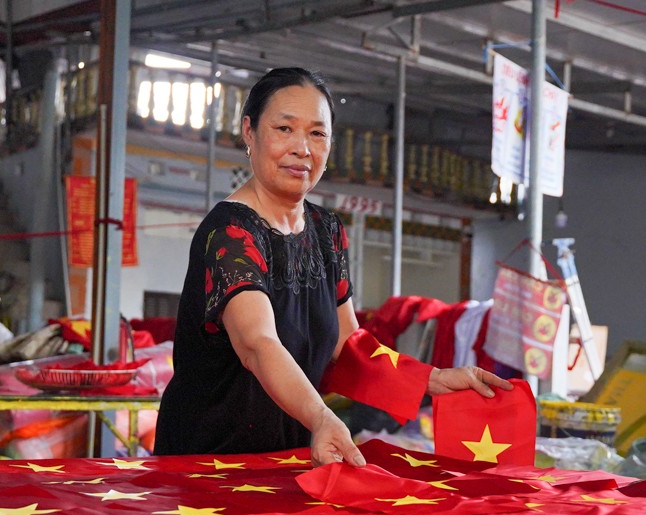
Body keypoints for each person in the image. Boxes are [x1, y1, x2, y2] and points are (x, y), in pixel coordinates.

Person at [154, 67, 509, 466]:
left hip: (289, 457)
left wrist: (433, 379)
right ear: (249, 132)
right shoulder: (230, 233)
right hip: (209, 460)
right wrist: (322, 415)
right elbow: (258, 344)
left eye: (317, 134)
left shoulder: (327, 231)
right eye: (285, 129)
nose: (302, 148)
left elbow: (347, 345)